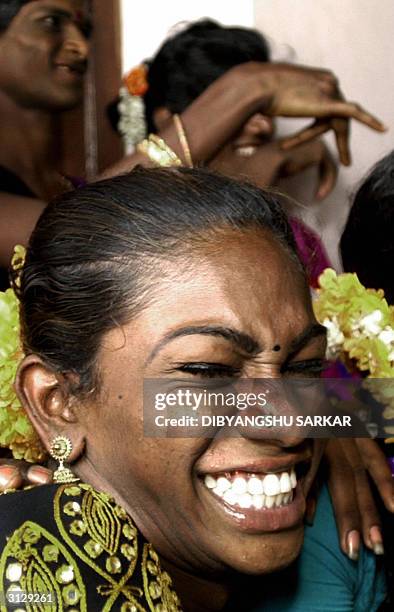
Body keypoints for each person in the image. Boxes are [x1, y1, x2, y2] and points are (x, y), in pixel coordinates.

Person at [0, 168, 386, 610]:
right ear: (58, 403)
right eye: (207, 370)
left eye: (306, 366)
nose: (292, 427)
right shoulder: (29, 576)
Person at [0, 4, 386, 288]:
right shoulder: (76, 211)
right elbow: (78, 239)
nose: (81, 47)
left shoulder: (72, 186)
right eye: (51, 22)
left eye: (84, 29)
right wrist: (248, 87)